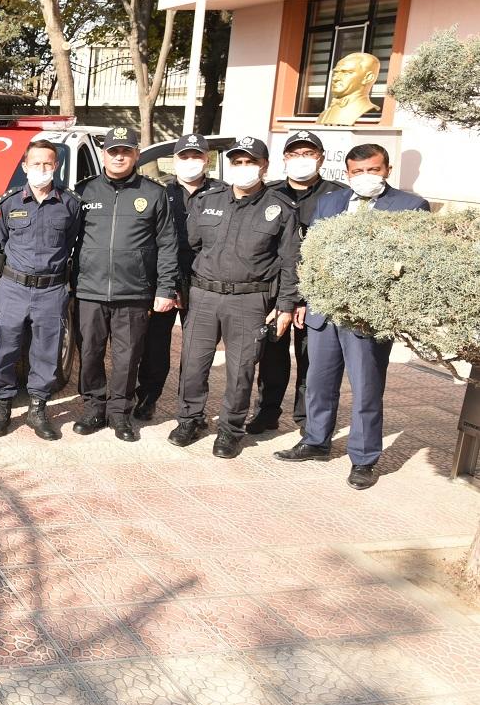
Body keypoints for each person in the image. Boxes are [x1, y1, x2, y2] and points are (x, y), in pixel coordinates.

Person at [276, 143, 430, 489]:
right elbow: (312, 253)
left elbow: (414, 264)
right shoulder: (330, 202)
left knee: (366, 389)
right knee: (318, 382)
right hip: (324, 310)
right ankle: (316, 440)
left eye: (373, 170)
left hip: (367, 315)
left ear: (387, 170)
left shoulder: (409, 206)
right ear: (347, 174)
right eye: (358, 171)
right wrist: (303, 300)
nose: (365, 176)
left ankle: (363, 458)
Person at [172, 136, 301, 458]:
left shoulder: (280, 208)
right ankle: (190, 419)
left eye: (251, 162)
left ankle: (230, 430)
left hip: (249, 299)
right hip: (204, 295)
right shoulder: (207, 200)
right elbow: (192, 245)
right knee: (193, 364)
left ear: (264, 166)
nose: (243, 167)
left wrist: (285, 306)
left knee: (241, 369)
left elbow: (290, 262)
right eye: (238, 162)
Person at [72, 126, 178, 441]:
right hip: (89, 290)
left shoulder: (154, 193)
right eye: (113, 151)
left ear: (136, 155)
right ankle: (94, 407)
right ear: (104, 154)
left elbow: (167, 244)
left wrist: (165, 288)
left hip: (134, 291)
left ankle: (119, 413)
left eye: (126, 151)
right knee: (89, 353)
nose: (119, 157)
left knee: (127, 357)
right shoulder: (84, 191)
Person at [247, 130, 347, 433]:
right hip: (274, 290)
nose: (301, 160)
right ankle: (267, 412)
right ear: (284, 159)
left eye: (308, 154)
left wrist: (305, 298)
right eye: (294, 154)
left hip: (316, 294)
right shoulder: (269, 193)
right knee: (272, 356)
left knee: (311, 361)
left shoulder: (338, 196)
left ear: (321, 158)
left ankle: (307, 419)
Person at [0, 139, 83, 439]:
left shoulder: (70, 204)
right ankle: (2, 406)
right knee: (3, 347)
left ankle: (37, 409)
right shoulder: (9, 202)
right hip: (13, 286)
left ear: (56, 166)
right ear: (25, 166)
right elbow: (1, 242)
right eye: (35, 163)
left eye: (47, 164)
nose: (41, 169)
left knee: (46, 352)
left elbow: (72, 242)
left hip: (51, 290)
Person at [134, 134, 225, 421]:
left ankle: (190, 408)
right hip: (166, 279)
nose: (190, 162)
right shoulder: (160, 192)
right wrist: (168, 283)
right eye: (184, 156)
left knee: (197, 351)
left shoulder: (222, 194)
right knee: (155, 345)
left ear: (207, 159)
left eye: (196, 156)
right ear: (174, 160)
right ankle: (147, 398)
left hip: (204, 281)